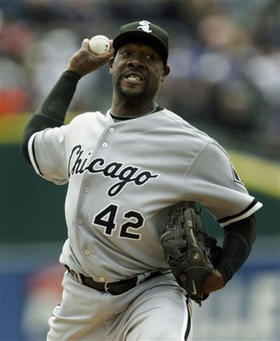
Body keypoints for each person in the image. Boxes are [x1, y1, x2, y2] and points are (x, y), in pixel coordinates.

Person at [21, 20, 262, 341]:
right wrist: (72, 73)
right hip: (78, 298)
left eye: (149, 57)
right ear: (111, 64)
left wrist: (222, 273)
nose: (136, 60)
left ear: (164, 72)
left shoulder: (192, 147)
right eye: (128, 53)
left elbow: (242, 219)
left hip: (150, 294)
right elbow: (33, 142)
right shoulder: (82, 128)